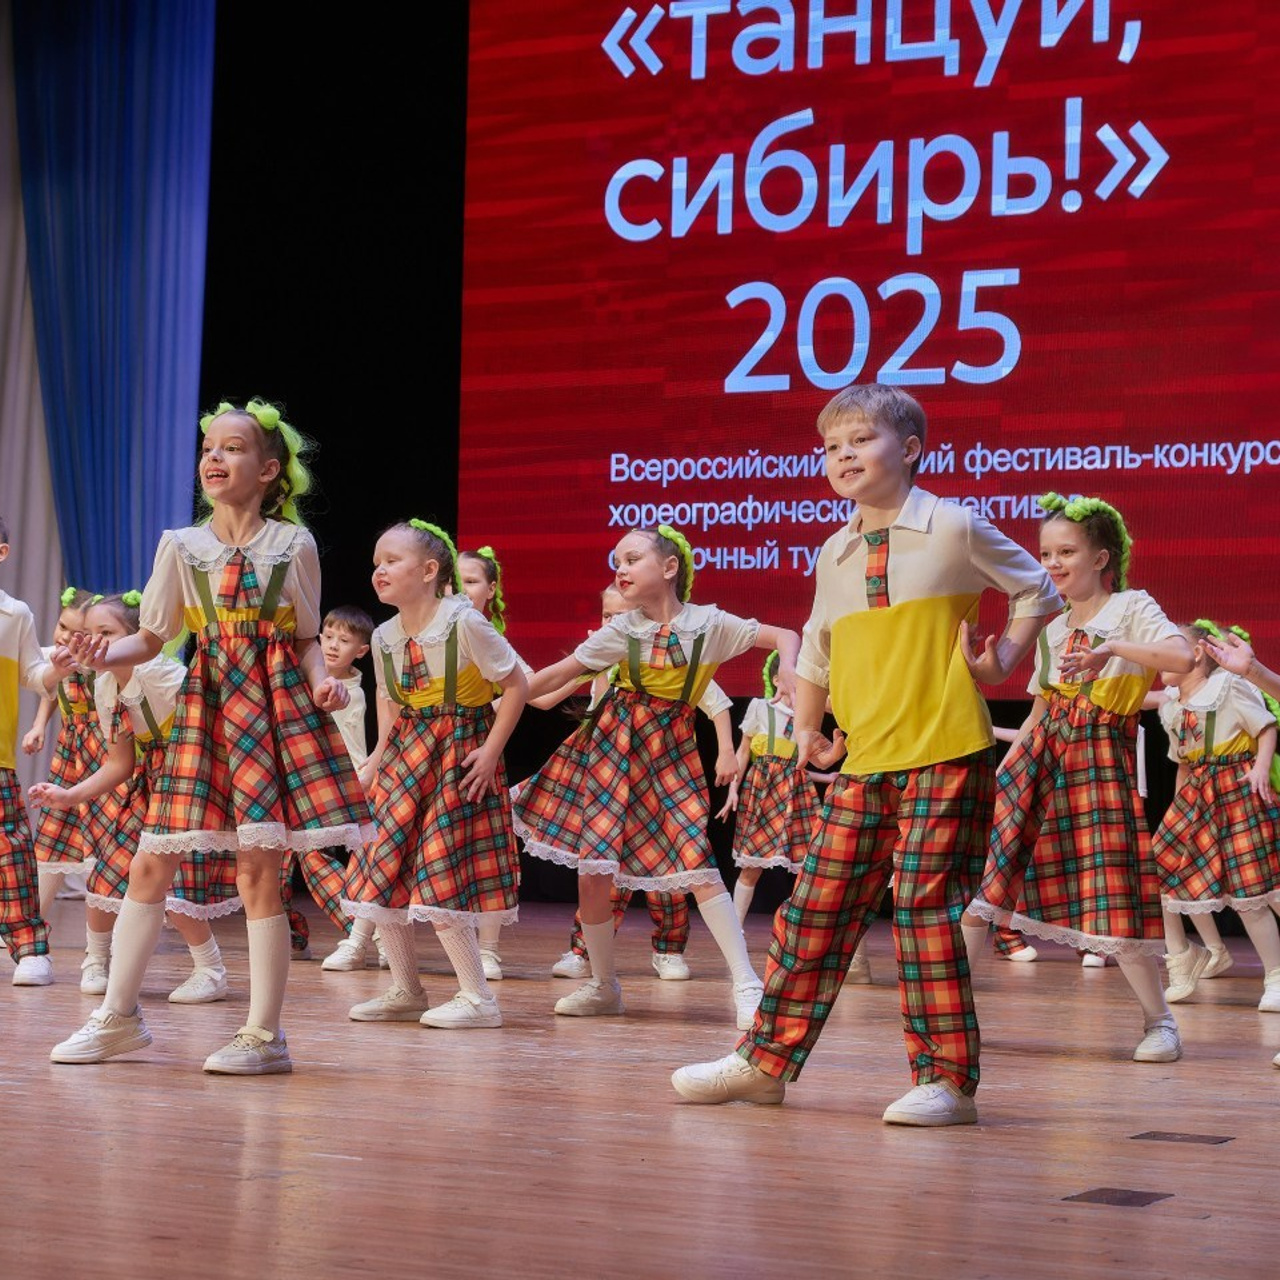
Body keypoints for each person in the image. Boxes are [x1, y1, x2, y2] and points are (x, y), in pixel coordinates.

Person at [672, 383, 1058, 1125]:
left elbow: (1036, 586)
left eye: (861, 440)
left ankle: (946, 1081)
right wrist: (809, 730)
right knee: (816, 907)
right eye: (831, 446)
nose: (842, 456)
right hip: (865, 758)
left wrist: (1004, 656)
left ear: (909, 449)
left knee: (924, 912)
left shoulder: (950, 525)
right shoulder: (836, 548)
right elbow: (817, 648)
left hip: (946, 749)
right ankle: (764, 1063)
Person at [50, 398, 368, 1074]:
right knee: (150, 860)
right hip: (208, 703)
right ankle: (117, 1018)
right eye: (209, 449)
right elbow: (154, 635)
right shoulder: (181, 546)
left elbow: (306, 636)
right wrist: (100, 654)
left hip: (271, 706)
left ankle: (265, 1034)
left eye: (232, 447)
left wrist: (322, 681)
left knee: (260, 871)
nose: (215, 458)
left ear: (269, 469)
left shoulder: (293, 545)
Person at [519, 525, 800, 1029]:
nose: (620, 569)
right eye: (616, 562)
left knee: (696, 861)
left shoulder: (709, 624)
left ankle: (747, 984)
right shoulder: (622, 630)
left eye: (632, 559)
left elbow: (784, 635)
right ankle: (604, 985)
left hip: (669, 752)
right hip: (611, 750)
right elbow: (556, 675)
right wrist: (498, 703)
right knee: (593, 873)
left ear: (669, 568)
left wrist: (789, 673)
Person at [966, 492, 1193, 1064]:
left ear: (1102, 557)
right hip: (1044, 752)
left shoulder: (1132, 607)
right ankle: (949, 1014)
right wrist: (984, 675)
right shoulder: (1052, 627)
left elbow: (1181, 659)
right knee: (990, 880)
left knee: (1112, 884)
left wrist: (1111, 648)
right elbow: (1042, 707)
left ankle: (1159, 1021)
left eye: (1066, 551)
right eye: (1046, 553)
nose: (1053, 564)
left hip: (1097, 752)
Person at [341, 520, 527, 1028]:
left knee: (441, 870)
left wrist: (490, 753)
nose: (380, 571)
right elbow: (393, 705)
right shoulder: (382, 637)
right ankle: (405, 989)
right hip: (407, 755)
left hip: (459, 754)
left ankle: (478, 997)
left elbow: (516, 686)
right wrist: (376, 759)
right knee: (387, 869)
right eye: (376, 563)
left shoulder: (464, 623)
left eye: (392, 561)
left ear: (428, 571)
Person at [29, 592, 234, 1001]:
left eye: (106, 633)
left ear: (134, 637)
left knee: (172, 884)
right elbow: (119, 763)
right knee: (107, 870)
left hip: (188, 773)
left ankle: (210, 970)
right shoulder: (105, 686)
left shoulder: (163, 675)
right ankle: (97, 959)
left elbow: (213, 728)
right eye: (87, 633)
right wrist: (70, 795)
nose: (91, 642)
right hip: (149, 778)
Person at [546, 584, 737, 983]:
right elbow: (547, 694)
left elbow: (715, 702)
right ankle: (585, 953)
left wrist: (726, 752)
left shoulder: (662, 657)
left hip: (657, 773)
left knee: (670, 874)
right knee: (599, 869)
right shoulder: (602, 654)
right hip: (610, 773)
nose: (612, 624)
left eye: (620, 616)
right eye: (606, 617)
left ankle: (668, 949)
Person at [1152, 621, 1280, 1011]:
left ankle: (1275, 976)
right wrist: (1178, 807)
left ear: (1195, 653)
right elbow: (1183, 762)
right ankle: (1182, 957)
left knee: (1252, 892)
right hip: (1197, 794)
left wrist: (1260, 767)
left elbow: (1266, 726)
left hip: (1237, 786)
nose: (1159, 659)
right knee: (1157, 874)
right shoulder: (1172, 705)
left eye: (1168, 649)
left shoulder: (1228, 687)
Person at [278, 604, 380, 969]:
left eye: (345, 640)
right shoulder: (312, 678)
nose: (333, 646)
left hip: (335, 782)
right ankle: (291, 936)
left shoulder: (348, 691)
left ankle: (366, 930)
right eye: (329, 636)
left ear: (362, 651)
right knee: (278, 861)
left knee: (315, 856)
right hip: (300, 779)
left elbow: (350, 749)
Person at [0, 514, 60, 984]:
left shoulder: (14, 614)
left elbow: (34, 674)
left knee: (12, 851)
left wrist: (56, 669)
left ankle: (29, 946)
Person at [32, 587, 107, 920]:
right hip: (71, 749)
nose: (64, 637)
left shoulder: (100, 665)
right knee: (52, 830)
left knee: (104, 838)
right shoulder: (53, 657)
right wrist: (38, 727)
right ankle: (28, 923)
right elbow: (49, 689)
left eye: (76, 633)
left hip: (105, 752)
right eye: (62, 627)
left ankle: (112, 928)